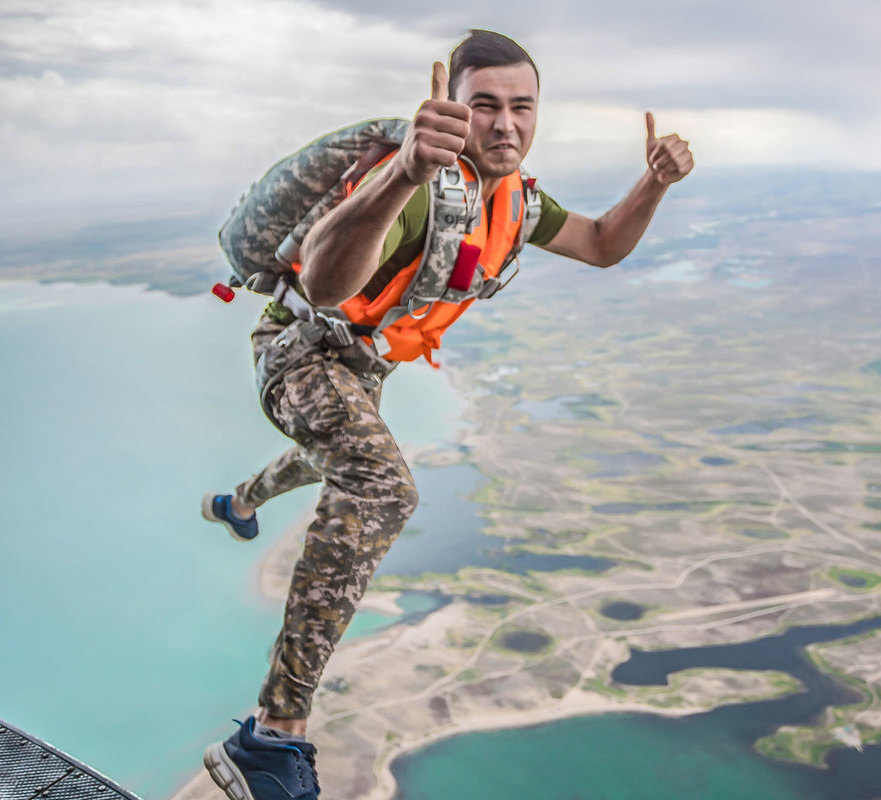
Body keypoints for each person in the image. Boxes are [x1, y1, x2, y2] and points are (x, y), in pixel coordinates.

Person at [201, 29, 693, 800]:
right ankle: (272, 735)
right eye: (484, 106)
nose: (505, 125)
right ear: (450, 110)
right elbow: (328, 284)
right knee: (380, 484)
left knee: (335, 458)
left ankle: (238, 503)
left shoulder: (517, 201)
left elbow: (600, 244)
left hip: (365, 367)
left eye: (521, 108)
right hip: (299, 353)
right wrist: (402, 173)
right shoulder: (421, 187)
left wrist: (654, 183)